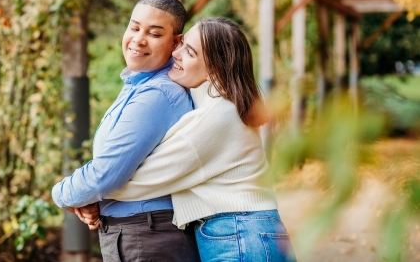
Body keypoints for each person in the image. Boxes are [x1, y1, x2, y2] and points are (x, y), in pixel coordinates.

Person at [78, 17, 297, 262]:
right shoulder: (216, 104)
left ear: (215, 67)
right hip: (242, 232)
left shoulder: (218, 116)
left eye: (189, 52)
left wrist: (87, 194)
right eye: (181, 45)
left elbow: (146, 178)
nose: (176, 53)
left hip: (239, 235)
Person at [51, 0, 200, 262]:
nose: (139, 39)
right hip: (137, 233)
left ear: (176, 42)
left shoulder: (158, 93)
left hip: (147, 237)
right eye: (134, 27)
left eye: (154, 34)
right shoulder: (139, 84)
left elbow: (106, 174)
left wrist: (62, 193)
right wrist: (90, 198)